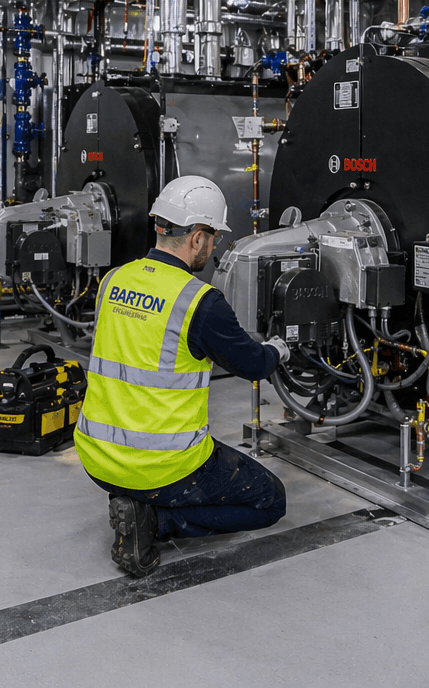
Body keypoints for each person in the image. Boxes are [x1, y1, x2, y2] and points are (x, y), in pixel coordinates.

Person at [72, 175, 292, 576]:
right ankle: (153, 522)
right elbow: (254, 365)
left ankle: (135, 502)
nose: (213, 247)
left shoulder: (112, 281)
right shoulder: (200, 303)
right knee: (270, 500)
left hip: (96, 456)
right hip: (162, 464)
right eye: (214, 239)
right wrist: (280, 347)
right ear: (196, 238)